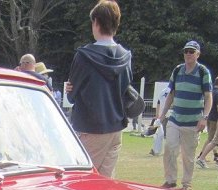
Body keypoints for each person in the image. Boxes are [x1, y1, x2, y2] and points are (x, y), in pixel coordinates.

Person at [65, 0, 133, 178]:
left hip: (90, 127)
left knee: (83, 182)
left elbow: (72, 96)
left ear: (96, 22)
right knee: (105, 183)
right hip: (116, 127)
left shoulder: (84, 56)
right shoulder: (126, 56)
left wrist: (69, 89)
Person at [158, 40, 212, 190]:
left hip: (193, 121)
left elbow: (208, 96)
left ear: (197, 54)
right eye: (186, 51)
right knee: (169, 148)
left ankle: (186, 184)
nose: (188, 54)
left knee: (188, 156)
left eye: (191, 51)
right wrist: (162, 114)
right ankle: (170, 180)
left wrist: (204, 117)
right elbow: (171, 94)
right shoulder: (177, 70)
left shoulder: (203, 71)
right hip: (175, 118)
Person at [196, 75, 218, 167]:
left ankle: (215, 155)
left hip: (209, 117)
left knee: (212, 138)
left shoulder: (212, 92)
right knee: (212, 139)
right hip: (215, 118)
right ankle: (201, 156)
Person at [149, 86, 170, 156]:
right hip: (167, 115)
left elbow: (158, 102)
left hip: (163, 115)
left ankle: (155, 150)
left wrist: (157, 114)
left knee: (160, 134)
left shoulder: (163, 91)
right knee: (162, 134)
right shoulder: (171, 91)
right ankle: (156, 150)